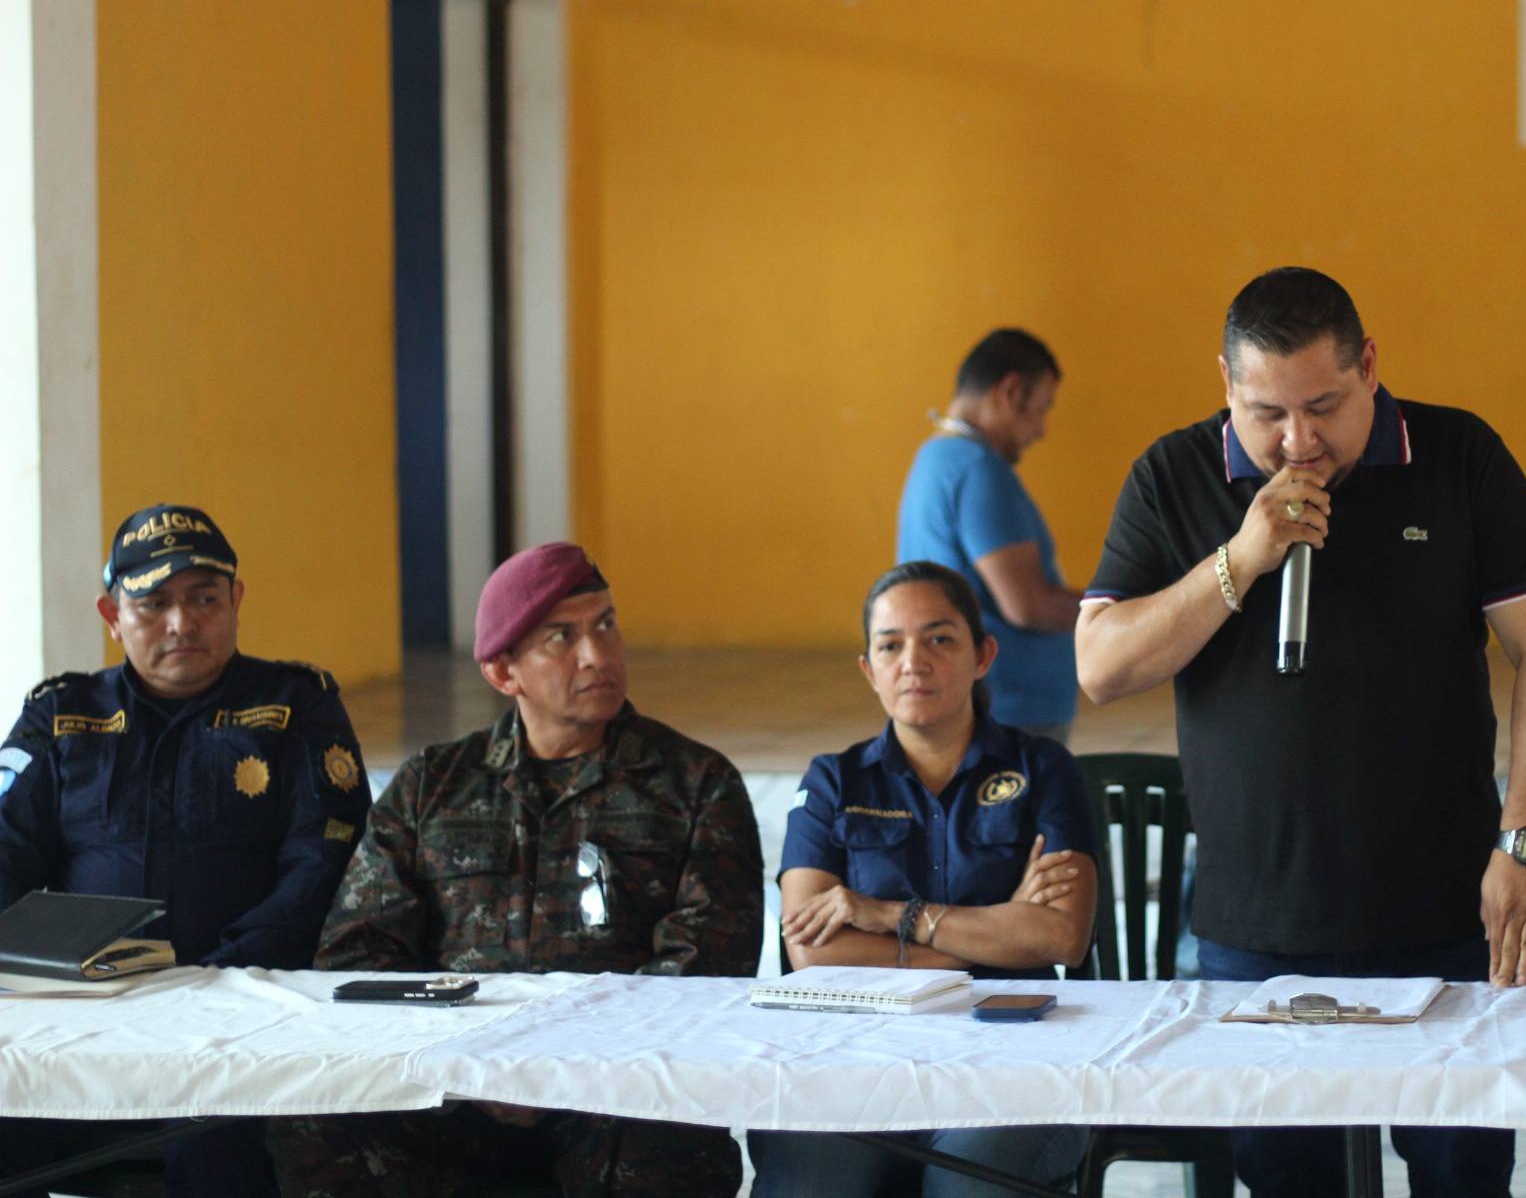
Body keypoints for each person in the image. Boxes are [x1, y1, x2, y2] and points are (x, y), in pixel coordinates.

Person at [1076, 267, 1526, 1196]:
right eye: (1265, 412)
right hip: (1258, 923)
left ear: (1371, 370)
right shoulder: (1173, 474)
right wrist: (1240, 559)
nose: (1296, 442)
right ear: (1225, 384)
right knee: (1286, 1182)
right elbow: (1102, 667)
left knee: (1463, 1177)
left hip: (1443, 908)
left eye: (1325, 406)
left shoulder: (1459, 454)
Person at [272, 542, 763, 1198]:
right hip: (455, 1086)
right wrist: (474, 1066)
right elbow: (359, 954)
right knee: (315, 1121)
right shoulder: (432, 785)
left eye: (606, 626)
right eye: (562, 637)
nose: (596, 654)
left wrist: (560, 1070)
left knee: (659, 1151)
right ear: (504, 672)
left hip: (618, 1090)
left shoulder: (696, 784)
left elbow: (705, 969)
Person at [0, 503, 372, 1197]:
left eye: (204, 599)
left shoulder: (296, 707)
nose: (183, 623)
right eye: (155, 604)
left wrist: (218, 980)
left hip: (246, 1018)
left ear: (236, 601)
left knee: (218, 1154)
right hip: (87, 1021)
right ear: (112, 615)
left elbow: (324, 864)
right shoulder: (62, 716)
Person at [749, 561, 1097, 1198]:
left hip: (1013, 1055)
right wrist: (999, 933)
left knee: (967, 1181)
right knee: (811, 1179)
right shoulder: (833, 782)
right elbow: (813, 952)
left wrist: (888, 916)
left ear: (983, 655)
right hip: (857, 1057)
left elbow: (1061, 937)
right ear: (869, 670)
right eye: (891, 645)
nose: (914, 661)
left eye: (940, 639)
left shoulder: (1044, 769)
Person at [897, 328, 1083, 742]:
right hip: (1011, 710)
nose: (1041, 429)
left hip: (971, 705)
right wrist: (1125, 610)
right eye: (1041, 408)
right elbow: (1029, 606)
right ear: (1011, 391)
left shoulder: (934, 457)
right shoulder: (979, 470)